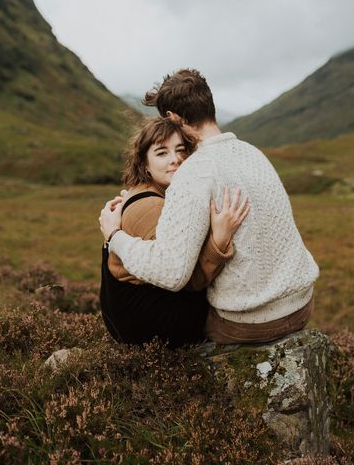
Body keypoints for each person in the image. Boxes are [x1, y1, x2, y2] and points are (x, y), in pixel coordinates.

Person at [100, 69, 319, 344]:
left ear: (173, 119)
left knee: (183, 316)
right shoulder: (253, 153)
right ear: (209, 106)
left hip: (249, 323)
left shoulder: (193, 173)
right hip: (301, 305)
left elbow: (172, 273)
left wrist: (114, 237)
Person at [99, 116, 249, 348]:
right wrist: (219, 240)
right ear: (144, 164)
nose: (176, 160)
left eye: (181, 150)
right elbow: (183, 278)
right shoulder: (150, 207)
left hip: (137, 316)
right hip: (152, 324)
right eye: (162, 153)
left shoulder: (160, 194)